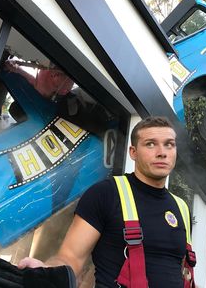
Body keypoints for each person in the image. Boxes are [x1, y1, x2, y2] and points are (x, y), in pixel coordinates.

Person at [18, 116, 193, 288]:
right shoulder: (105, 194)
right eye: (150, 144)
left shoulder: (181, 208)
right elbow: (70, 257)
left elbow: (179, 273)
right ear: (133, 152)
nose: (162, 152)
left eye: (169, 144)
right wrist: (47, 271)